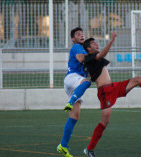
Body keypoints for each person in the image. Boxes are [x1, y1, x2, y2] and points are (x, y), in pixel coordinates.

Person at [80, 32, 141, 157]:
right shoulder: (90, 58)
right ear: (88, 48)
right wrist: (112, 39)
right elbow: (102, 54)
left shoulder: (93, 57)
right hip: (105, 92)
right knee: (104, 122)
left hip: (113, 87)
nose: (96, 44)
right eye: (93, 43)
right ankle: (89, 149)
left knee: (137, 79)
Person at [57, 27, 91, 157]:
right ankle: (70, 102)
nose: (81, 35)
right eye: (78, 34)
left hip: (75, 83)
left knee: (74, 116)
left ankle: (63, 146)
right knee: (86, 82)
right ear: (73, 38)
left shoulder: (84, 48)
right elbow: (81, 59)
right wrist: (94, 55)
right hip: (72, 78)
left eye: (82, 34)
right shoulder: (77, 47)